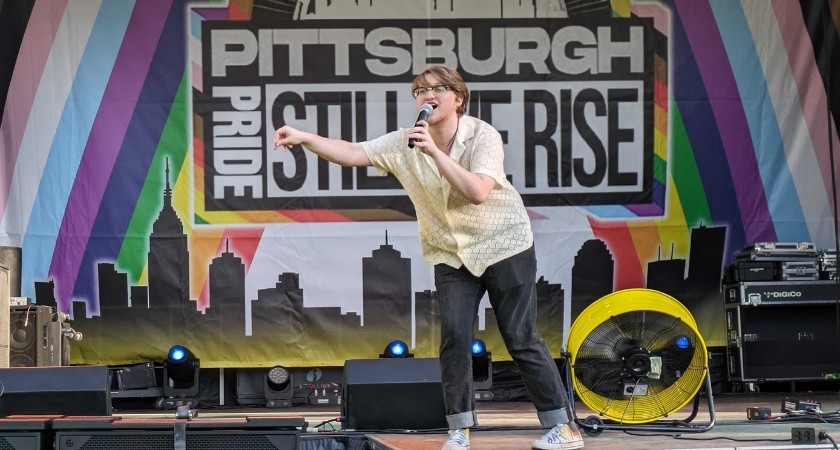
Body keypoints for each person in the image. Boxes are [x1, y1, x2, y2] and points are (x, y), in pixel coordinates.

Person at [274, 65, 583, 450]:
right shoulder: (406, 143)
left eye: (437, 89)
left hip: (504, 244)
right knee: (454, 336)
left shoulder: (481, 135)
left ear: (458, 98)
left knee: (521, 337)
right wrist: (304, 137)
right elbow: (354, 153)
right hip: (450, 252)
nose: (427, 95)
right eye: (420, 90)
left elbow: (478, 192)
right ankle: (459, 428)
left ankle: (563, 427)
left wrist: (435, 152)